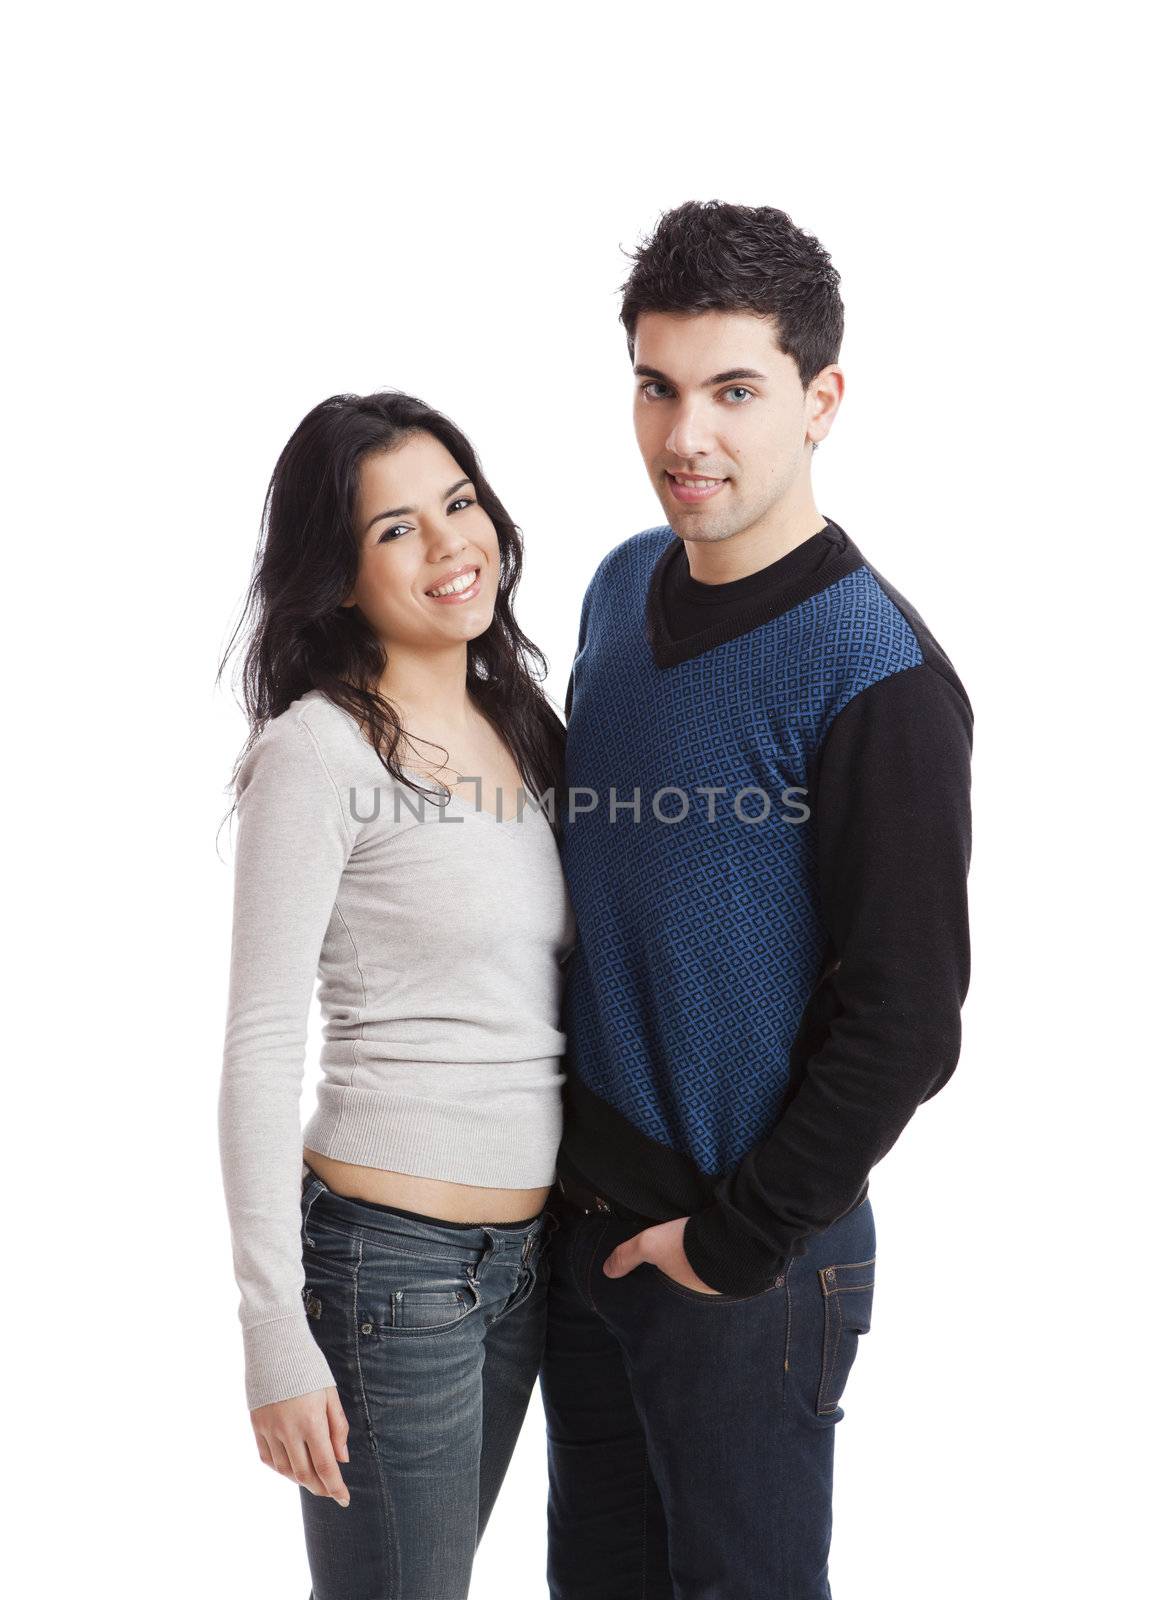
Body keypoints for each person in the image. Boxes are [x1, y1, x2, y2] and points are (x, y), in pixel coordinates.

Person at [541, 200, 974, 1597]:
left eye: (735, 391)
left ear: (821, 399)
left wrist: (731, 1243)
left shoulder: (877, 673)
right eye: (657, 387)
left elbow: (907, 1022)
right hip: (585, 1241)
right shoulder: (617, 588)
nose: (687, 437)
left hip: (748, 1263)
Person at [215, 390, 574, 1598]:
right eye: (395, 530)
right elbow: (262, 1041)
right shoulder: (318, 750)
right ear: (339, 574)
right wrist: (273, 1326)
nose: (449, 545)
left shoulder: (521, 723)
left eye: (458, 503)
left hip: (526, 1263)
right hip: (393, 1271)